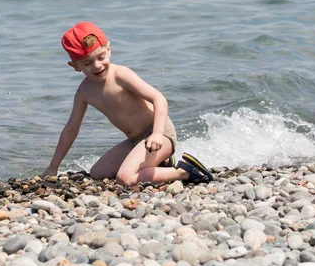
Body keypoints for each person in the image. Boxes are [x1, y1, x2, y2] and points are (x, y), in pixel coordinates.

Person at [41, 22, 213, 186]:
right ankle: (162, 163)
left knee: (125, 178)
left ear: (108, 49)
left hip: (160, 134)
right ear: (75, 66)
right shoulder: (84, 92)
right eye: (88, 63)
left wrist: (157, 134)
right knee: (98, 173)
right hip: (135, 140)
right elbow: (71, 129)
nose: (97, 65)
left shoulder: (120, 75)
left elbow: (159, 99)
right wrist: (53, 166)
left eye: (101, 57)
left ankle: (185, 172)